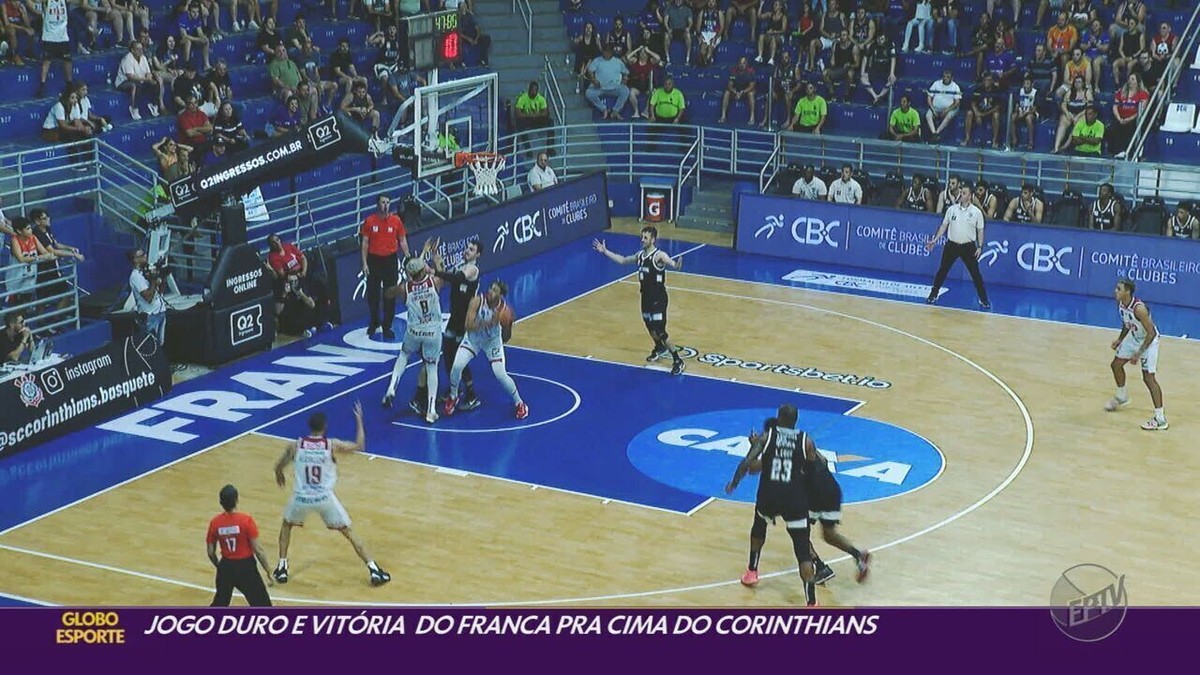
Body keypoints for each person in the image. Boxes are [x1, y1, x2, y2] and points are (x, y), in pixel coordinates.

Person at [273, 402, 392, 586]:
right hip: (324, 498)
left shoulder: (295, 445)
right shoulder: (331, 445)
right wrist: (359, 420)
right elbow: (360, 445)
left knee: (286, 526)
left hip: (301, 497)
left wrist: (279, 473)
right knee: (348, 532)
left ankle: (282, 568)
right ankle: (374, 569)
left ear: (309, 427)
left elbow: (279, 465)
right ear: (325, 427)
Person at [724, 404, 818, 606]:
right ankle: (811, 603)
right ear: (795, 420)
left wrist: (734, 482)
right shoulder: (806, 441)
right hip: (795, 498)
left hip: (770, 495)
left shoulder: (766, 437)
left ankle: (752, 571)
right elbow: (812, 474)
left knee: (759, 527)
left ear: (779, 417)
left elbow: (747, 462)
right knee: (802, 549)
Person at [593, 227, 686, 375]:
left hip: (658, 299)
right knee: (649, 326)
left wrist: (677, 264)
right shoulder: (640, 255)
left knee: (660, 331)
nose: (642, 240)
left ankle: (678, 360)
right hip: (645, 298)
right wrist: (605, 251)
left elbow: (673, 264)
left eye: (646, 238)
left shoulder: (659, 256)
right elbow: (623, 260)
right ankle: (659, 347)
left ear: (653, 239)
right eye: (642, 237)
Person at [410, 238, 482, 416]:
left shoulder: (473, 269)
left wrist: (432, 270)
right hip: (454, 318)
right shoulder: (461, 264)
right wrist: (435, 256)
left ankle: (471, 394)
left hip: (463, 321)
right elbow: (445, 274)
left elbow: (455, 277)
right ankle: (453, 391)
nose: (467, 251)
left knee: (459, 360)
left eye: (471, 249)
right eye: (467, 248)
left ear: (477, 254)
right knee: (448, 356)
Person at [443, 279, 528, 420]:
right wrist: (487, 323)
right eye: (490, 288)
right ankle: (453, 396)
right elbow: (468, 325)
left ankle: (520, 403)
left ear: (500, 296)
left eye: (495, 290)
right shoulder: (477, 301)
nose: (490, 291)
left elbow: (505, 339)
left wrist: (508, 326)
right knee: (457, 366)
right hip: (473, 339)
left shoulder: (504, 310)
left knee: (500, 374)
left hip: (492, 342)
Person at [381, 245, 443, 424]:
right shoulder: (434, 282)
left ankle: (392, 388)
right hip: (432, 332)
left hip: (414, 331)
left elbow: (388, 294)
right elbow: (442, 274)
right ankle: (431, 411)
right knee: (432, 368)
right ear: (423, 271)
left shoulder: (405, 288)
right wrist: (437, 260)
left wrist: (395, 285)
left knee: (403, 356)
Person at [1105, 278, 1167, 431]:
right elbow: (1127, 323)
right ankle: (1122, 396)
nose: (1115, 291)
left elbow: (1151, 332)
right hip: (1135, 337)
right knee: (1116, 365)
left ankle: (1160, 418)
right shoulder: (1121, 304)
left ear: (1127, 291)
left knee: (1148, 378)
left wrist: (1138, 354)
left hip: (1149, 341)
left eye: (1119, 289)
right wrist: (1120, 339)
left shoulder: (1139, 309)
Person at [206, 484, 274, 607]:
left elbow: (211, 552)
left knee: (220, 603)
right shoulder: (246, 520)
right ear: (236, 500)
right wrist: (268, 570)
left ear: (221, 503)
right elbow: (258, 550)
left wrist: (220, 566)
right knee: (262, 604)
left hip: (226, 566)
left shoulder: (215, 523)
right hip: (246, 567)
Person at [925, 188, 991, 309]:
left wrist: (980, 246)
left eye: (964, 193)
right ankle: (933, 294)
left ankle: (984, 299)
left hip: (968, 246)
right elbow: (943, 226)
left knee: (976, 274)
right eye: (960, 192)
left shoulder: (976, 212)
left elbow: (980, 230)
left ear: (970, 196)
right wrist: (935, 240)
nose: (961, 194)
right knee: (942, 270)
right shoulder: (952, 209)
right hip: (952, 245)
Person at [360, 194, 410, 339]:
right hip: (374, 261)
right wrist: (364, 263)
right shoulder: (369, 221)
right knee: (373, 295)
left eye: (388, 202)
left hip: (390, 261)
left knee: (390, 295)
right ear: (377, 204)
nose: (386, 205)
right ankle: (374, 322)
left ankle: (387, 326)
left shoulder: (396, 221)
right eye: (383, 202)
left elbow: (402, 239)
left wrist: (408, 257)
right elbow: (364, 243)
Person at [127, 247, 168, 345]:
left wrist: (162, 277)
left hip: (160, 311)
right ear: (135, 260)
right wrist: (153, 280)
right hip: (149, 315)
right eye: (142, 255)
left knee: (161, 344)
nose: (145, 256)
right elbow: (148, 298)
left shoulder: (146, 271)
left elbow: (160, 291)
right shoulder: (135, 276)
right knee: (151, 345)